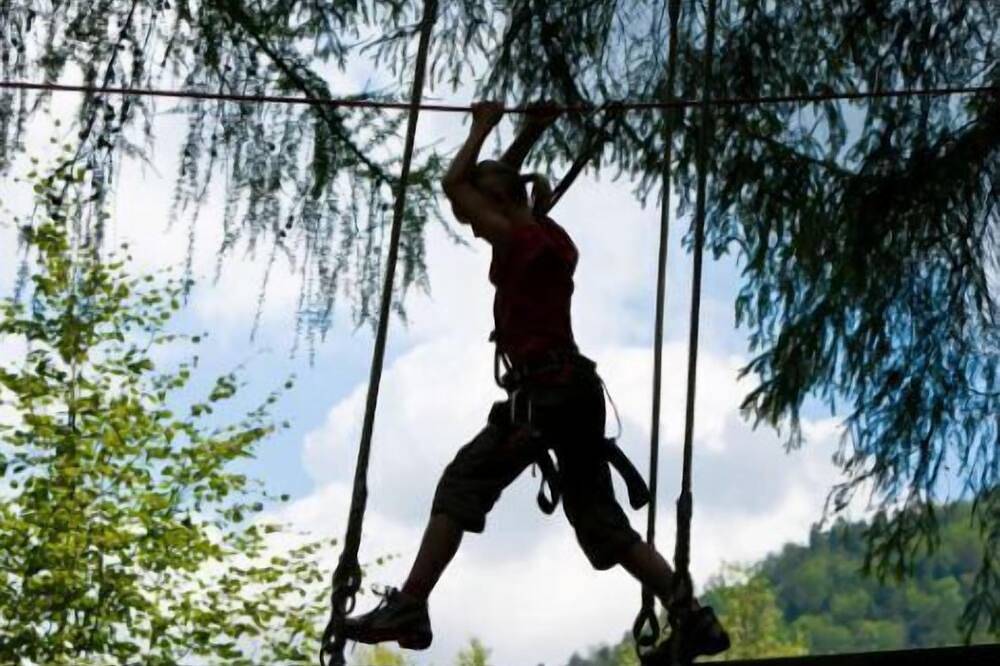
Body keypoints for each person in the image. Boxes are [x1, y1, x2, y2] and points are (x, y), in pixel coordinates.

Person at [341, 101, 730, 664]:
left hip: (543, 397)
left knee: (462, 484)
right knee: (600, 519)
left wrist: (480, 127)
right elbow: (500, 187)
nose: (474, 230)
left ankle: (410, 603)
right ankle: (692, 616)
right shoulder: (545, 232)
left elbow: (457, 184)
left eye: (478, 220)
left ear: (497, 207)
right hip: (573, 391)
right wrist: (526, 133)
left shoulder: (517, 241)